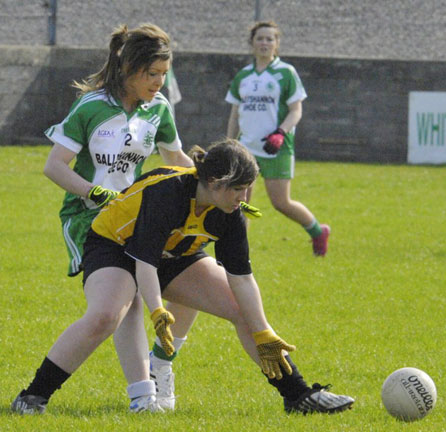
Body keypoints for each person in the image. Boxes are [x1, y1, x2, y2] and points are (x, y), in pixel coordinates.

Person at [12, 138, 354, 415]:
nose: (244, 198)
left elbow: (242, 279)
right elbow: (143, 262)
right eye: (239, 189)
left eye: (248, 189)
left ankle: (299, 396)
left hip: (175, 252)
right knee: (105, 315)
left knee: (241, 310)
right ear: (214, 182)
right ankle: (32, 397)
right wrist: (158, 311)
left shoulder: (229, 210)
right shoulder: (169, 192)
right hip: (114, 247)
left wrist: (263, 331)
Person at [39, 22, 199, 412]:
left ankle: (150, 386)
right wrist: (93, 191)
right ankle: (137, 394)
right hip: (87, 217)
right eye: (152, 74)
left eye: (164, 74)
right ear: (128, 69)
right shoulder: (91, 106)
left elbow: (175, 159)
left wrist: (213, 184)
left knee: (188, 272)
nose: (160, 82)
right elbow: (54, 166)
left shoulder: (159, 108)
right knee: (118, 305)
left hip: (134, 215)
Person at [226, 20, 330, 256]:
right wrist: (229, 143)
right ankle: (239, 251)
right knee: (240, 203)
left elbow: (296, 110)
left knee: (280, 203)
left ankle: (317, 231)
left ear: (277, 44)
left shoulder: (286, 73)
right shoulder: (243, 76)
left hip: (276, 148)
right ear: (251, 43)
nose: (264, 43)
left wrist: (280, 133)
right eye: (259, 38)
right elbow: (235, 113)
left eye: (269, 38)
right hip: (247, 149)